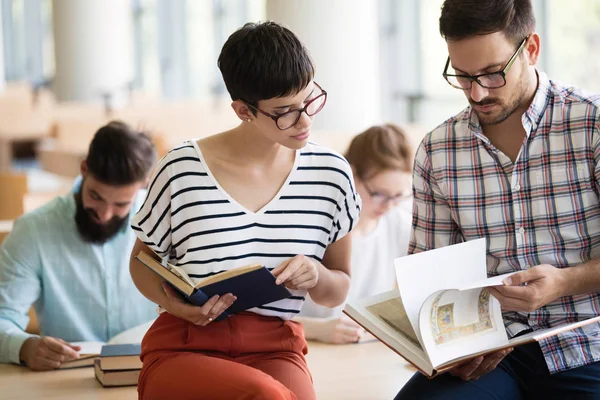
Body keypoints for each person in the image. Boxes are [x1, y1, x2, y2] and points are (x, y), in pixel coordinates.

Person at [129, 21, 360, 400]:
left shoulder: (331, 174)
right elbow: (141, 264)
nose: (305, 121)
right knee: (267, 397)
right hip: (184, 347)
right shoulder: (182, 169)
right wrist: (176, 306)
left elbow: (337, 292)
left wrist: (316, 274)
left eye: (308, 100)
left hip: (276, 347)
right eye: (284, 111)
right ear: (243, 110)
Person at [395, 0, 600, 399]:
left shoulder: (591, 125)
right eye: (462, 75)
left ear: (532, 49)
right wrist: (449, 345)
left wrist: (564, 283)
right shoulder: (438, 151)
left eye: (492, 74)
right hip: (491, 350)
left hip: (588, 342)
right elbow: (429, 278)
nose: (476, 92)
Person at [0, 121, 158, 371]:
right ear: (83, 169)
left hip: (149, 371)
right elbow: (2, 318)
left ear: (142, 186)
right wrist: (25, 347)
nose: (105, 215)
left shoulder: (161, 223)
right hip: (66, 380)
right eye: (96, 196)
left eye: (120, 205)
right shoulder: (33, 231)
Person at [297, 123, 413, 344]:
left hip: (364, 350)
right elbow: (263, 317)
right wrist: (317, 329)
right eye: (379, 194)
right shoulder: (314, 224)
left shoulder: (399, 223)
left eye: (398, 195)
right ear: (351, 174)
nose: (389, 205)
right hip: (307, 347)